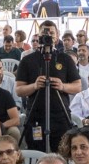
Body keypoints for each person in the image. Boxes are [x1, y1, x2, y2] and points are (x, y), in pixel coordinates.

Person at [15, 22, 82, 153]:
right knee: (37, 152)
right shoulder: (27, 60)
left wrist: (62, 86)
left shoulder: (65, 59)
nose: (48, 36)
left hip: (60, 115)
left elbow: (78, 86)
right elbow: (19, 90)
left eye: (51, 33)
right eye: (44, 33)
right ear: (38, 36)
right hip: (36, 115)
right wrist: (34, 86)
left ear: (57, 37)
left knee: (62, 153)